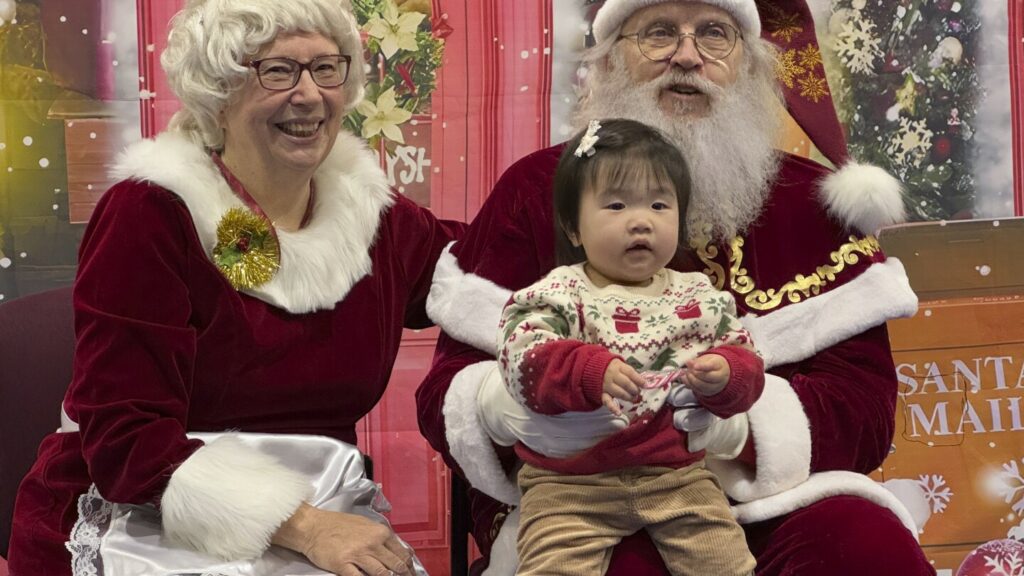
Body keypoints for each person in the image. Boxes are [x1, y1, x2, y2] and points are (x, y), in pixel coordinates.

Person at [417, 0, 932, 574]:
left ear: (750, 67)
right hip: (583, 499)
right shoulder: (539, 190)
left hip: (777, 500)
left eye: (714, 34)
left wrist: (734, 426)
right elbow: (445, 397)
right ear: (609, 62)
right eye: (659, 32)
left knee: (865, 547)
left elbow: (864, 411)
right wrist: (526, 407)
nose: (686, 56)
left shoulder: (813, 204)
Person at [7, 0, 461, 574]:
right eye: (276, 70)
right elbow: (128, 440)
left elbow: (483, 265)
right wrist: (306, 527)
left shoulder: (374, 216)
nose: (309, 94)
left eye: (326, 68)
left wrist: (587, 194)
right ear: (217, 94)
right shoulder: (151, 212)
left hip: (322, 507)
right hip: (145, 512)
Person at [499, 118, 761, 575]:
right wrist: (586, 370)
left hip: (677, 476)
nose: (641, 221)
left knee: (728, 564)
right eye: (616, 205)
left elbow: (747, 360)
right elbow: (523, 352)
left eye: (660, 205)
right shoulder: (561, 292)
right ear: (573, 227)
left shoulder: (698, 295)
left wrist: (727, 374)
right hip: (570, 484)